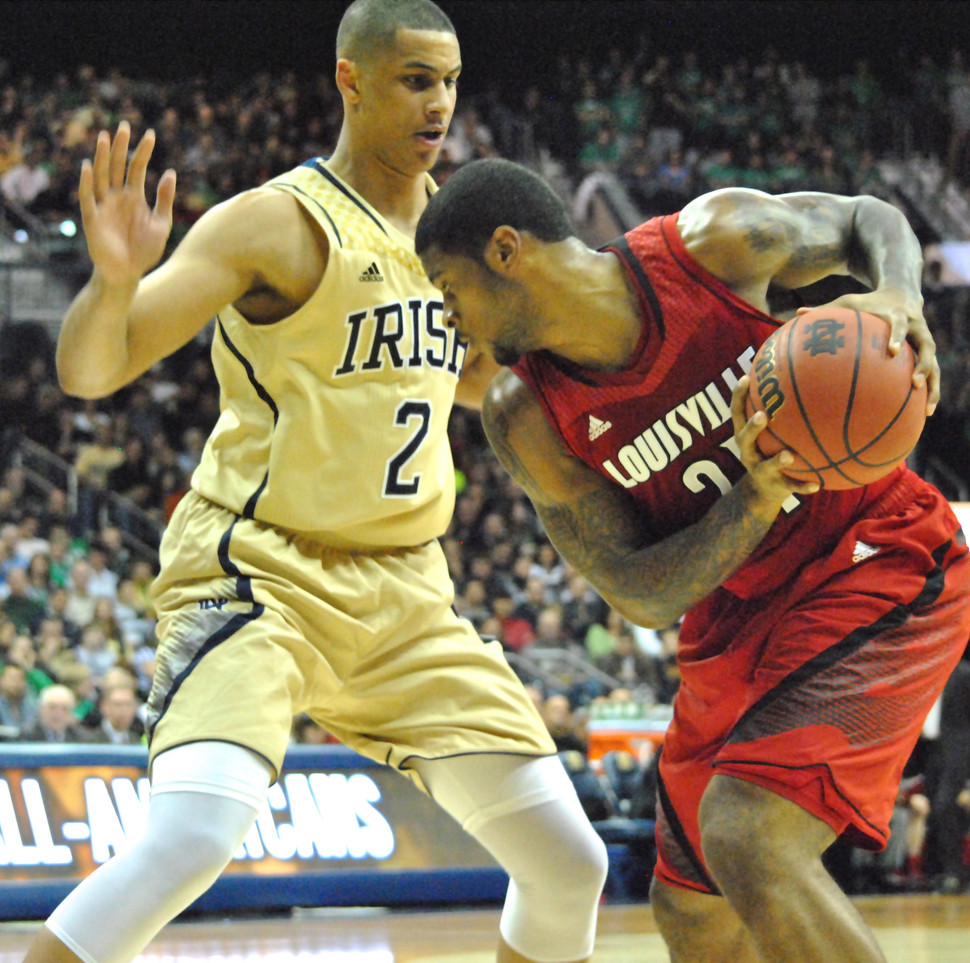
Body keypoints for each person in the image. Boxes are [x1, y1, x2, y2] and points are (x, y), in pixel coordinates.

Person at [22, 5, 606, 963]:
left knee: (567, 862)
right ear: (352, 81)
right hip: (262, 579)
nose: (441, 104)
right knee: (190, 841)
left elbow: (462, 381)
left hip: (408, 596)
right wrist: (116, 282)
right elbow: (92, 369)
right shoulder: (277, 222)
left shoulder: (457, 234)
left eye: (451, 81)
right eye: (417, 79)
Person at [415, 157, 970, 963]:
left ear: (506, 249)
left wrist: (897, 295)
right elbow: (641, 593)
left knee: (747, 835)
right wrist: (754, 493)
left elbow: (865, 219)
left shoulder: (712, 247)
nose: (447, 316)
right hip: (738, 613)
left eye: (447, 288)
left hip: (872, 555)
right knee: (691, 908)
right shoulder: (525, 412)